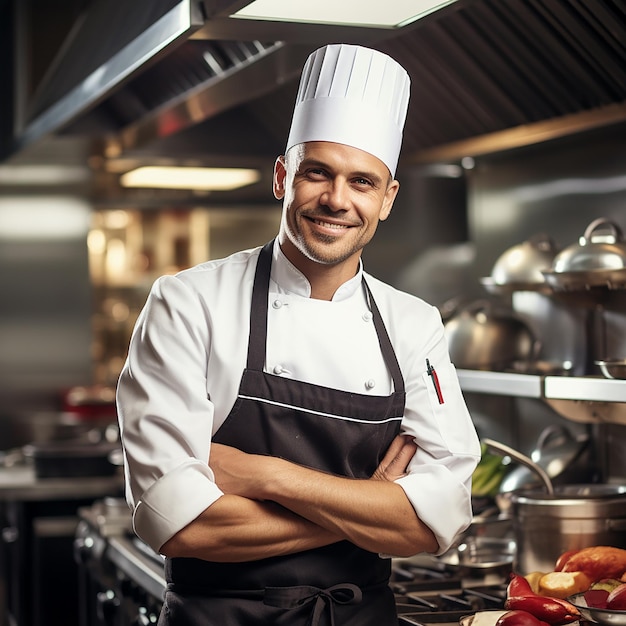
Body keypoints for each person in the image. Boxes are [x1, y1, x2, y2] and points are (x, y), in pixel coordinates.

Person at [116, 43, 481, 626]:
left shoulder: (414, 324)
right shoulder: (189, 303)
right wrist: (369, 503)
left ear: (386, 200)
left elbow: (438, 521)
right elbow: (180, 522)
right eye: (319, 172)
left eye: (362, 182)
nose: (338, 200)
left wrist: (267, 476)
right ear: (284, 176)